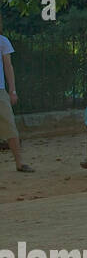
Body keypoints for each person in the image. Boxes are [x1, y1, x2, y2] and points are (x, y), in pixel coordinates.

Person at [0, 16, 33, 173]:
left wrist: (12, 90)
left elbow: (8, 66)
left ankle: (19, 163)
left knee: (10, 127)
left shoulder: (2, 41)